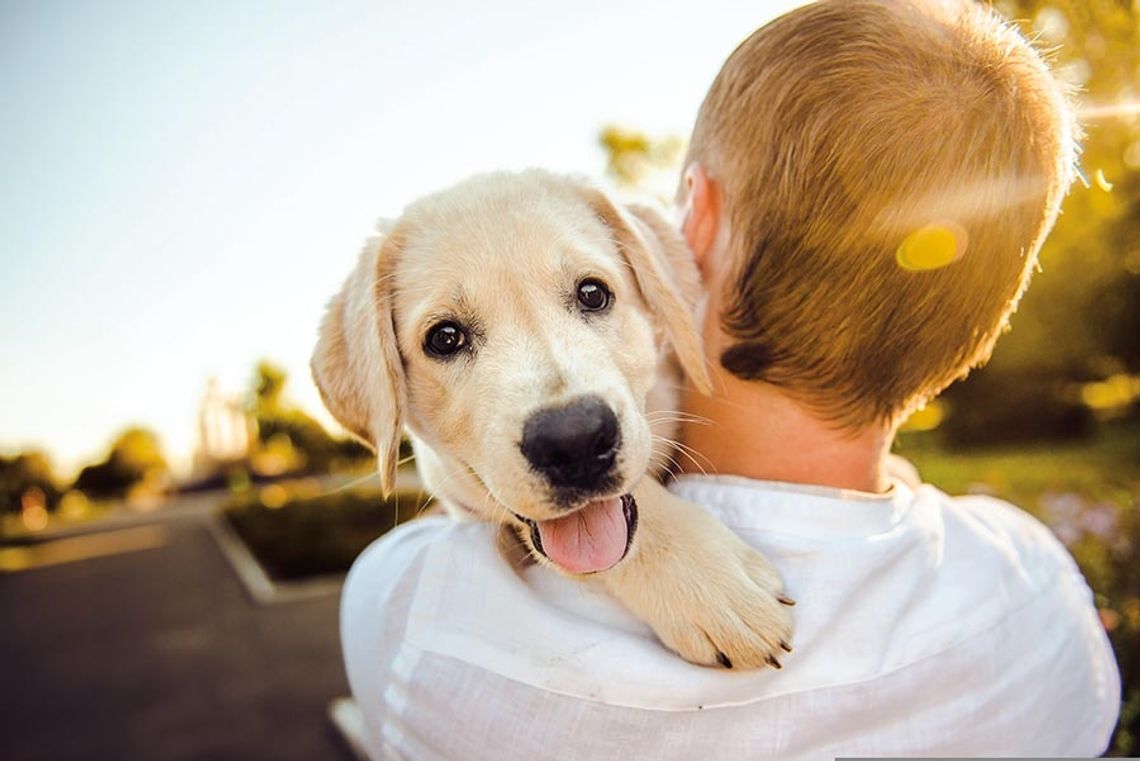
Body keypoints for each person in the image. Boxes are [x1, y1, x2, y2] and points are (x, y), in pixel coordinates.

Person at [340, 1, 1121, 757]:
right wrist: (648, 537)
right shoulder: (1039, 592)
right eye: (449, 337)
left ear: (693, 226)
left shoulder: (414, 617)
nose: (565, 409)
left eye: (590, 295)